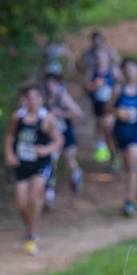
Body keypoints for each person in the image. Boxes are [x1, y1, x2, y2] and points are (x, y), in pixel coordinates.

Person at [4, 84, 63, 255]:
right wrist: (9, 154)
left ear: (41, 99)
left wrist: (46, 149)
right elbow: (9, 136)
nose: (32, 101)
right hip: (22, 165)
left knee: (34, 197)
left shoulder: (47, 119)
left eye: (36, 97)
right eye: (29, 98)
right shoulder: (18, 117)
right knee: (21, 204)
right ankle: (30, 227)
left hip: (40, 164)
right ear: (25, 100)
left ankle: (31, 235)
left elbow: (58, 140)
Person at [112, 57, 137, 217]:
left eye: (133, 68)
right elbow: (108, 108)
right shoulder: (118, 89)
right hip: (121, 132)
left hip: (136, 131)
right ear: (123, 72)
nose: (130, 72)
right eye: (127, 69)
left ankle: (129, 201)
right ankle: (129, 196)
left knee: (132, 164)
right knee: (128, 166)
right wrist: (118, 113)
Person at [43, 72, 85, 203]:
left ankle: (76, 175)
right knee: (51, 162)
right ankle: (49, 192)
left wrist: (61, 113)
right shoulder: (43, 98)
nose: (50, 86)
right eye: (48, 83)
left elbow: (78, 113)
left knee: (69, 159)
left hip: (66, 133)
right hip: (51, 136)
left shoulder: (62, 96)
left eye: (53, 83)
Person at [80, 31, 120, 164]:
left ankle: (116, 153)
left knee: (110, 127)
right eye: (97, 58)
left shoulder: (113, 71)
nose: (99, 60)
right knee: (100, 126)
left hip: (111, 105)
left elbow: (121, 85)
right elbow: (85, 87)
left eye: (102, 57)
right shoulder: (92, 71)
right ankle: (106, 152)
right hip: (97, 103)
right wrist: (93, 85)